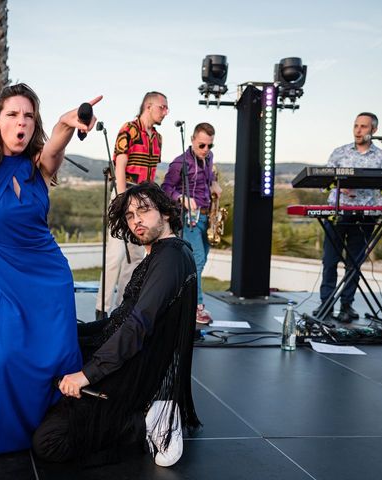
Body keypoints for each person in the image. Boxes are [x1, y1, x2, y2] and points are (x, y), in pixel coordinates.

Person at [0, 65, 102, 459]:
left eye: (28, 115)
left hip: (48, 276)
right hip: (3, 275)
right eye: (12, 114)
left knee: (57, 356)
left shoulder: (39, 169)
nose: (21, 122)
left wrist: (67, 121)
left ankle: (45, 425)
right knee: (3, 354)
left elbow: (57, 145)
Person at [33, 183, 200, 468]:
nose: (136, 220)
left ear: (166, 213)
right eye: (130, 215)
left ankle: (145, 420)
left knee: (50, 442)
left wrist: (87, 375)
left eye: (144, 211)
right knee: (53, 348)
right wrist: (70, 332)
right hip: (125, 353)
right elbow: (120, 319)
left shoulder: (170, 256)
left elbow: (138, 324)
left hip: (133, 369)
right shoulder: (162, 253)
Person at [96, 92, 169, 319]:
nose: (166, 112)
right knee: (116, 254)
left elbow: (153, 172)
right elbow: (120, 164)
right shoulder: (129, 129)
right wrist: (122, 199)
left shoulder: (157, 138)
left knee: (137, 257)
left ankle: (122, 309)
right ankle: (102, 309)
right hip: (124, 193)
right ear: (148, 106)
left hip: (144, 199)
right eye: (162, 107)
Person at [314, 112, 382, 323]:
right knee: (329, 261)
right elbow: (324, 181)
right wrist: (340, 187)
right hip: (338, 213)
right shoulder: (339, 153)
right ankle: (326, 303)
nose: (358, 130)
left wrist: (379, 212)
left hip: (365, 216)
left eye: (364, 127)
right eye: (356, 126)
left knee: (354, 263)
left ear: (374, 130)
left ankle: (346, 306)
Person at [162, 122, 222, 325]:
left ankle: (180, 297)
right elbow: (165, 187)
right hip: (189, 217)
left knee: (202, 260)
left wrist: (214, 183)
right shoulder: (180, 163)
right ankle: (196, 307)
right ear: (192, 140)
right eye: (202, 145)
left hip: (206, 214)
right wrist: (181, 197)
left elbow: (209, 178)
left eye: (209, 146)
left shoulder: (209, 158)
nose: (206, 150)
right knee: (196, 259)